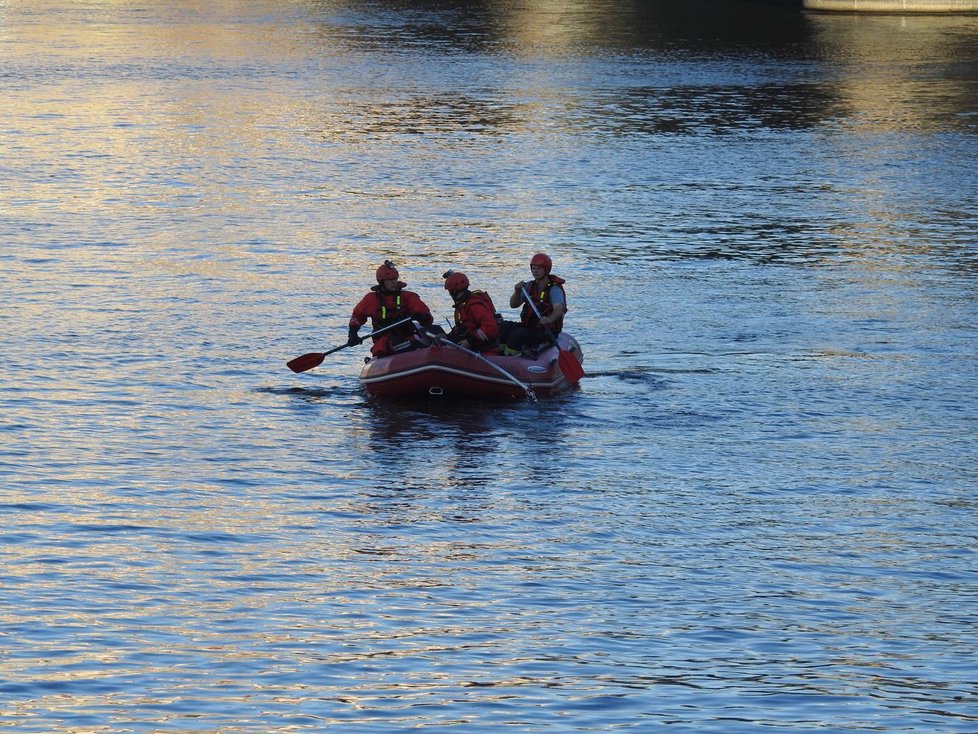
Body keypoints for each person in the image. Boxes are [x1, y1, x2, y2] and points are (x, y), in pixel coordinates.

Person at [348, 260, 434, 357]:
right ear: (381, 282)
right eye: (389, 280)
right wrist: (353, 335)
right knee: (404, 344)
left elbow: (427, 317)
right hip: (384, 342)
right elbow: (357, 317)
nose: (393, 282)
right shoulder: (371, 299)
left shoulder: (408, 296)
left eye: (395, 279)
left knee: (433, 332)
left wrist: (422, 317)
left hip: (407, 337)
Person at [502, 252, 567, 354]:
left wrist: (549, 319)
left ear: (546, 270)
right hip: (530, 326)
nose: (535, 271)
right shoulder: (529, 286)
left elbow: (559, 309)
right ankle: (499, 354)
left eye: (539, 268)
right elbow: (513, 305)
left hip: (546, 330)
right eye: (533, 268)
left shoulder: (554, 289)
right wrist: (517, 292)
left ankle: (511, 357)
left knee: (516, 336)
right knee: (502, 327)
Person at [442, 271, 499, 354]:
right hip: (472, 345)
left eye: (450, 291)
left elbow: (490, 328)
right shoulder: (462, 305)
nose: (450, 294)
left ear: (455, 291)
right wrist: (447, 337)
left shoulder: (474, 305)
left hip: (484, 348)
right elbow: (463, 327)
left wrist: (470, 342)